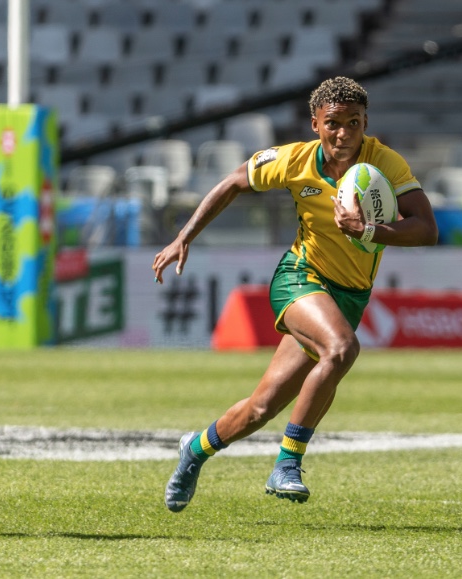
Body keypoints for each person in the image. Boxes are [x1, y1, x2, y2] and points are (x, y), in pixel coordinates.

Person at [152, 76, 438, 510]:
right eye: (334, 123)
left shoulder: (385, 165)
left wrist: (370, 229)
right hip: (301, 277)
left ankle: (195, 450)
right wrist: (184, 237)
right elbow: (232, 182)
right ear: (315, 123)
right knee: (341, 350)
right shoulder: (294, 161)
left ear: (366, 123)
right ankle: (288, 462)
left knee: (259, 409)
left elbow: (427, 230)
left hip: (349, 296)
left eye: (355, 123)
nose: (344, 134)